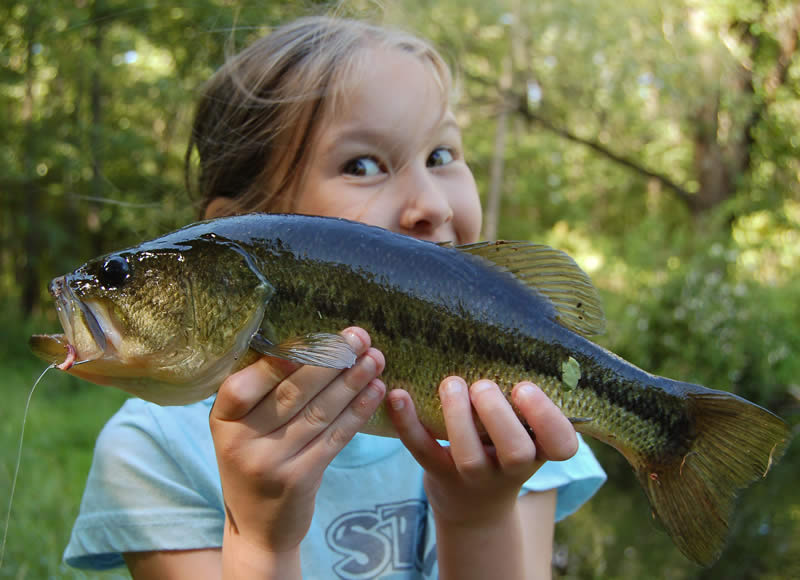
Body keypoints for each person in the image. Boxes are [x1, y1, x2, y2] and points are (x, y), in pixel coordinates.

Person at [63, 16, 606, 579]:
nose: (433, 205)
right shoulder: (153, 456)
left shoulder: (519, 422)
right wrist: (260, 540)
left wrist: (477, 515)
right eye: (362, 165)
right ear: (236, 228)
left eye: (442, 155)